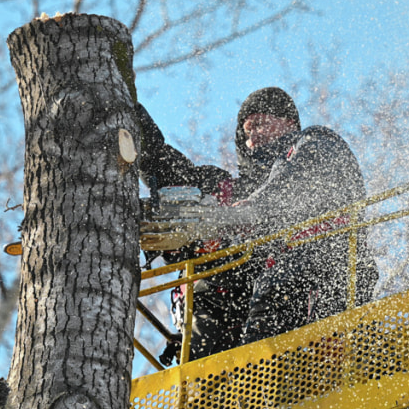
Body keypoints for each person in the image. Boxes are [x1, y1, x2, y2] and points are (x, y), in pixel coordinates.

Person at [136, 87, 376, 360]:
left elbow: (289, 185)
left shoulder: (314, 146)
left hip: (309, 295)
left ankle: (266, 384)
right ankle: (206, 390)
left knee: (280, 281)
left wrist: (241, 215)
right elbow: (167, 168)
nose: (253, 136)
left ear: (290, 124)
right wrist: (132, 120)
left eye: (260, 124)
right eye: (247, 132)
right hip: (228, 323)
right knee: (204, 292)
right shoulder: (228, 191)